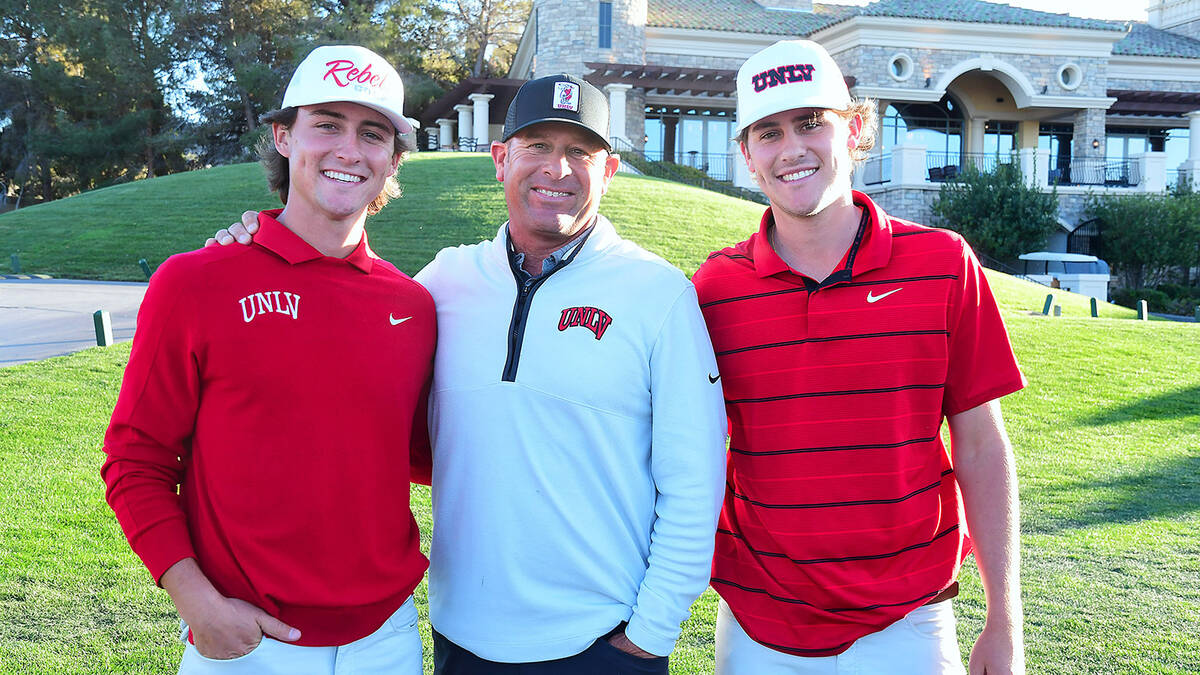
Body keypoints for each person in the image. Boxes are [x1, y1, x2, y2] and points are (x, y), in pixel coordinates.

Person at [210, 74, 727, 674]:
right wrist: (255, 244)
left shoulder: (658, 293)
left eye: (578, 152)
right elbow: (342, 336)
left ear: (608, 171)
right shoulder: (443, 283)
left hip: (604, 640)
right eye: (537, 146)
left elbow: (695, 479)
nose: (556, 169)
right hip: (461, 636)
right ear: (502, 159)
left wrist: (651, 633)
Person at [691, 40, 1026, 675]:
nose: (792, 148)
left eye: (811, 122)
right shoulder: (714, 289)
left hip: (912, 618)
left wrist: (1004, 619)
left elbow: (982, 446)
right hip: (759, 622)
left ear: (857, 126)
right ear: (747, 155)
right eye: (769, 132)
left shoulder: (944, 264)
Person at [101, 45, 433, 674]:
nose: (347, 149)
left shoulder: (414, 304)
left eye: (372, 133)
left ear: (392, 159)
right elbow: (136, 459)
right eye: (326, 125)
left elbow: (424, 456)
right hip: (246, 641)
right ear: (283, 137)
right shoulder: (196, 282)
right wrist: (196, 601)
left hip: (387, 640)